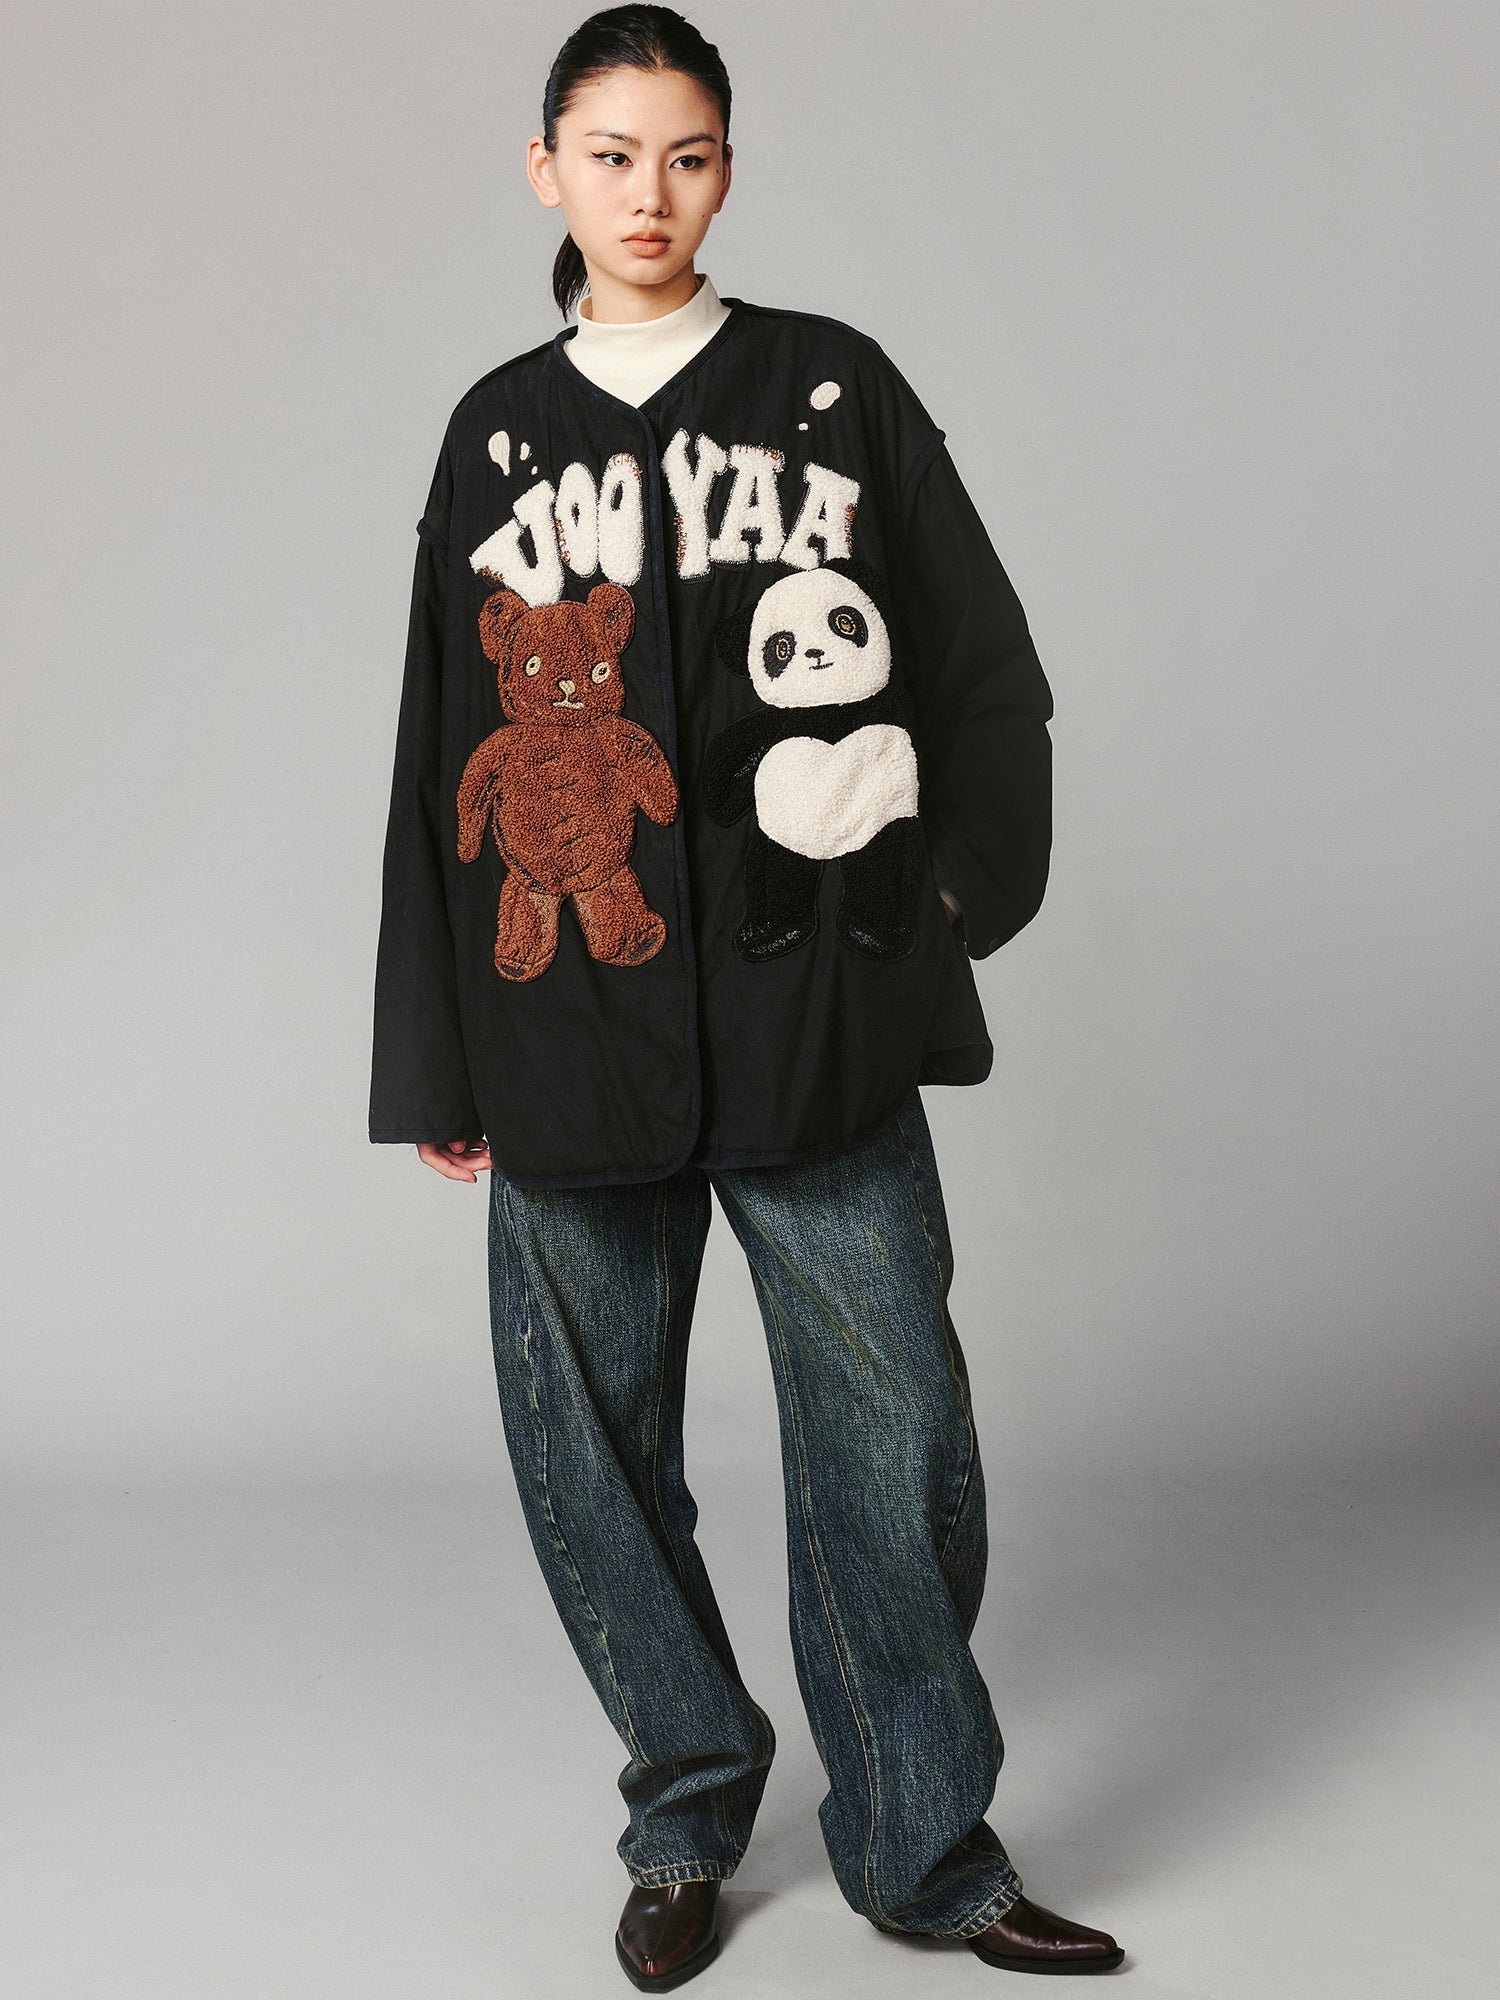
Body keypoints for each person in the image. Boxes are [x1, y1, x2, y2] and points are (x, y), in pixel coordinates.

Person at [369, 4, 1124, 1985]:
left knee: (899, 1437)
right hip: (566, 1024)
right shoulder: (493, 436)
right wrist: (437, 1057)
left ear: (728, 168)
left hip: (818, 1023)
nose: (650, 194)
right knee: (590, 1452)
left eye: (687, 155)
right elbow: (439, 757)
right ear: (546, 169)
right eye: (611, 155)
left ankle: (923, 1848)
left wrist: (935, 907)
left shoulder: (832, 390)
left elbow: (981, 666)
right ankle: (688, 1805)